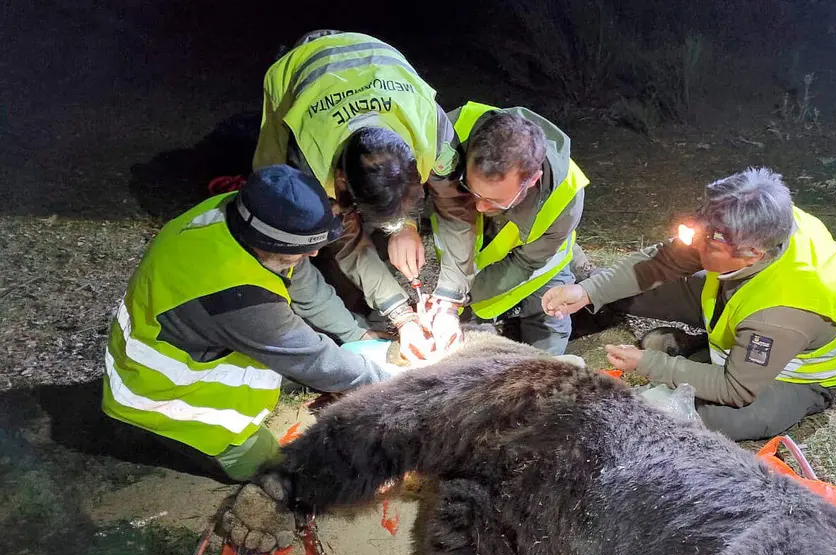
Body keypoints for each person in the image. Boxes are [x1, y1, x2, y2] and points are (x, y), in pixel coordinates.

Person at [101, 164, 390, 481]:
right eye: (303, 249)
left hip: (187, 342)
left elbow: (302, 280)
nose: (317, 252)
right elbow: (314, 360)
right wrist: (391, 383)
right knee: (275, 469)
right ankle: (152, 444)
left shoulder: (244, 213)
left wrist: (357, 333)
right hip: (164, 401)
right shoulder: (236, 296)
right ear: (272, 246)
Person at [542, 167, 836, 441]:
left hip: (798, 377)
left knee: (698, 417)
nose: (695, 241)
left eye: (710, 241)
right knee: (634, 288)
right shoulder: (759, 223)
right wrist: (588, 291)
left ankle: (694, 355)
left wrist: (650, 364)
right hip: (731, 300)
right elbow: (663, 260)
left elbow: (735, 388)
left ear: (751, 253)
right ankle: (696, 349)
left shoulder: (783, 311)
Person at [252, 29, 461, 361]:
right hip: (302, 70)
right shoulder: (308, 160)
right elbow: (346, 237)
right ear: (341, 182)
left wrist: (406, 227)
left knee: (378, 233)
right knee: (292, 223)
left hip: (377, 58)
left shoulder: (430, 129)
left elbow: (454, 200)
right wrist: (402, 316)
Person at [393, 102, 588, 356]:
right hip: (472, 264)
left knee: (547, 328)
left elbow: (524, 263)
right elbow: (407, 176)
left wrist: (456, 298)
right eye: (471, 190)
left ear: (532, 181)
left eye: (495, 201)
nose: (480, 207)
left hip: (538, 266)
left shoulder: (566, 197)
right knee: (462, 342)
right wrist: (405, 224)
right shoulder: (447, 135)